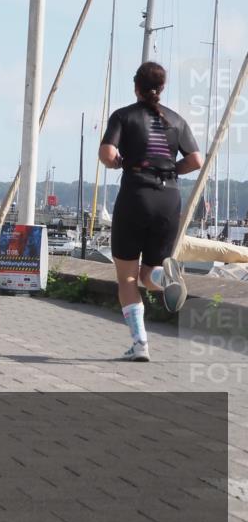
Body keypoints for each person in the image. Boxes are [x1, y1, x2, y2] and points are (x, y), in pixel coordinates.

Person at [99, 61, 202, 362]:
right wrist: (172, 170)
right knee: (148, 274)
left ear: (136, 87)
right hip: (169, 198)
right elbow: (195, 159)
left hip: (136, 195)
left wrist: (118, 162)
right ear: (162, 88)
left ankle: (140, 343)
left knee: (128, 278)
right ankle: (165, 276)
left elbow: (106, 154)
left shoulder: (123, 116)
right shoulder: (177, 120)